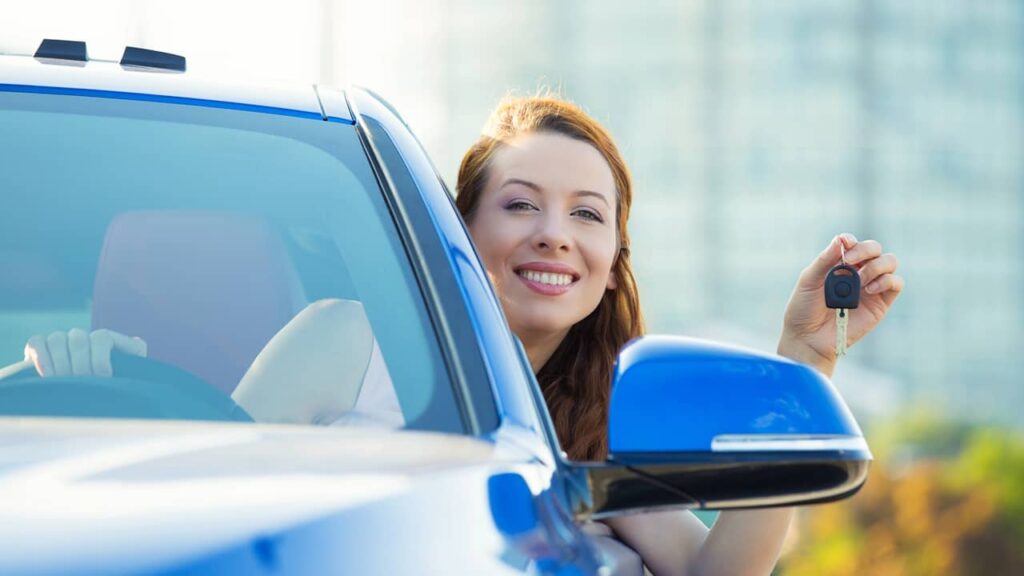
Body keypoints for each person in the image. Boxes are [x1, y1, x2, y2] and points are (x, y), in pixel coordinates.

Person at [454, 95, 903, 575]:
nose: (555, 235)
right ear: (460, 230)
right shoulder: (373, 384)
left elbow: (712, 572)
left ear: (613, 263)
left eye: (586, 214)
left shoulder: (584, 442)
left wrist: (803, 360)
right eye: (521, 204)